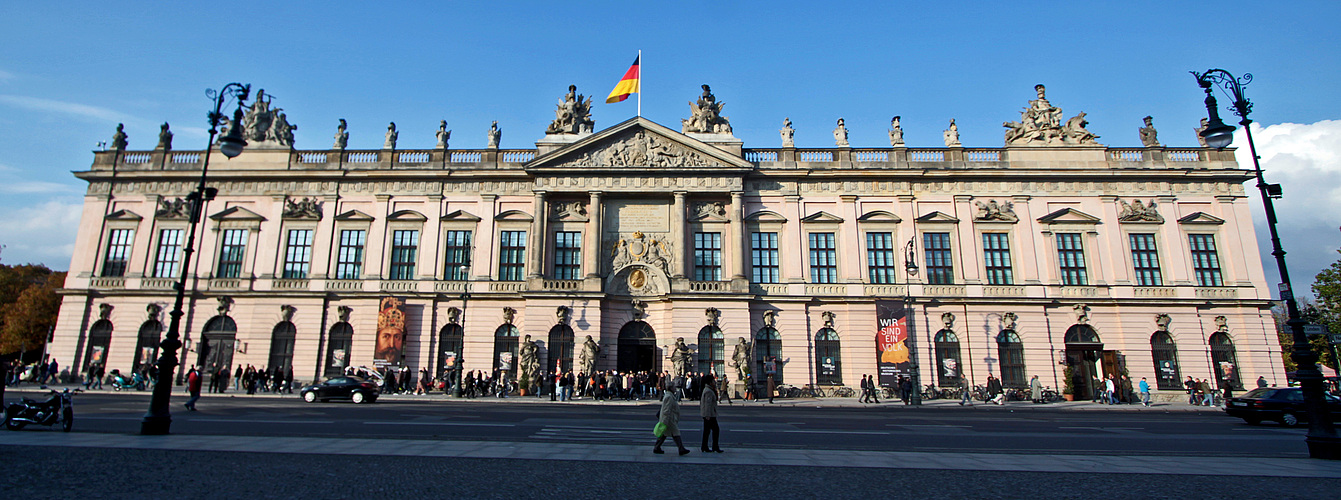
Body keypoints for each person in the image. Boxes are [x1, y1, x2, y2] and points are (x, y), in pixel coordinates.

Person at [653, 385, 691, 456]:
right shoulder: (669, 397)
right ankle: (681, 448)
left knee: (665, 434)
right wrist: (665, 420)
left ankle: (657, 447)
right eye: (673, 387)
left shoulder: (670, 396)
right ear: (670, 388)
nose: (675, 388)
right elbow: (666, 410)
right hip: (669, 419)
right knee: (675, 433)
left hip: (669, 418)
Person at [700, 374, 723, 453]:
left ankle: (705, 446)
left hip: (709, 414)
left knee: (707, 431)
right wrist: (708, 415)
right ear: (710, 382)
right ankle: (714, 446)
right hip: (710, 415)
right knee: (715, 430)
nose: (714, 382)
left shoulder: (708, 389)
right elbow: (708, 404)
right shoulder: (709, 391)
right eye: (713, 381)